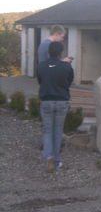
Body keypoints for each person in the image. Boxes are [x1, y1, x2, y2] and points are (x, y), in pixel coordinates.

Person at [37, 41, 74, 173]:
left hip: (46, 101)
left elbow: (40, 81)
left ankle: (49, 156)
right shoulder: (66, 67)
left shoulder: (41, 66)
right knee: (58, 131)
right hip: (61, 101)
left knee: (47, 131)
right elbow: (69, 82)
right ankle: (57, 160)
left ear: (49, 52)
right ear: (60, 53)